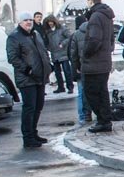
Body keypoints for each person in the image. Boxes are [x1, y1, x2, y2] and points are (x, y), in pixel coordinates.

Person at [6, 10, 52, 147]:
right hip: (26, 79)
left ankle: (34, 132)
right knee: (29, 107)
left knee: (38, 106)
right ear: (20, 22)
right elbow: (13, 57)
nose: (29, 23)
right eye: (26, 20)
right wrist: (27, 69)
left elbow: (43, 52)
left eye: (30, 20)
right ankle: (28, 136)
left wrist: (48, 66)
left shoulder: (36, 34)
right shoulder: (14, 37)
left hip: (40, 76)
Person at [82, 0, 116, 133]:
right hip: (103, 61)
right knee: (102, 92)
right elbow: (111, 39)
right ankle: (105, 120)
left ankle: (103, 120)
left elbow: (94, 40)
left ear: (90, 1)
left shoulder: (96, 16)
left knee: (92, 92)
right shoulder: (106, 16)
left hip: (94, 63)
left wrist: (86, 53)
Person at [43, 15, 74, 94]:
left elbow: (70, 37)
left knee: (67, 71)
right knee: (57, 72)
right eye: (48, 22)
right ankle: (61, 87)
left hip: (63, 53)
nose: (50, 23)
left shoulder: (62, 29)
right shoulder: (48, 32)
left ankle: (70, 87)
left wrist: (63, 44)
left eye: (51, 22)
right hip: (54, 53)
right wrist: (49, 48)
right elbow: (47, 42)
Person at [68, 13, 89, 125]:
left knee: (81, 93)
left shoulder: (74, 35)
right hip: (89, 68)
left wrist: (76, 67)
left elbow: (71, 54)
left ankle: (82, 116)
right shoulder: (91, 33)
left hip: (79, 69)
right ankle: (87, 114)